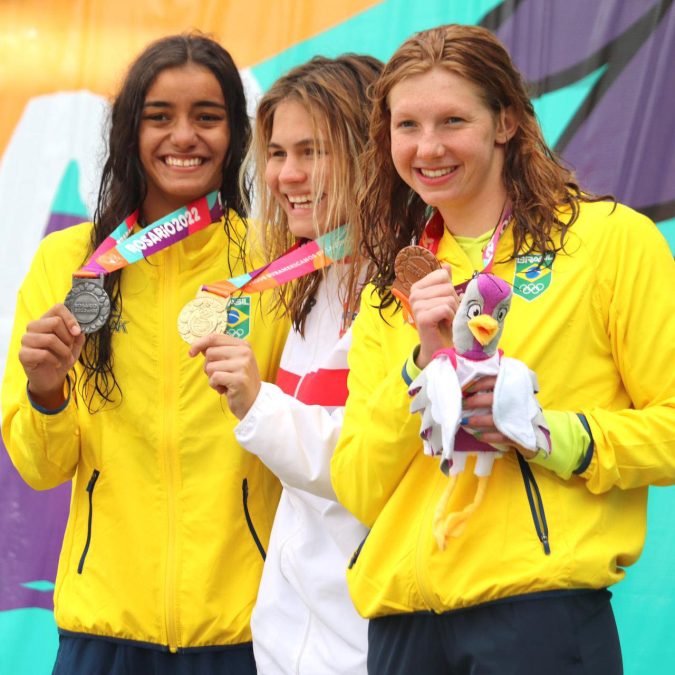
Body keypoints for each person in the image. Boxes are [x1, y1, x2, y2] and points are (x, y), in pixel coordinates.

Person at [330, 24, 675, 675]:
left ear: (506, 121)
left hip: (535, 613)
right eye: (407, 126)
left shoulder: (610, 243)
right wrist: (419, 365)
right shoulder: (392, 288)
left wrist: (550, 434)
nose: (428, 147)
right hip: (404, 623)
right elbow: (358, 485)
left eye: (452, 120)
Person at [1, 34, 288, 673]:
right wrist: (45, 393)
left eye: (207, 117)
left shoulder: (275, 261)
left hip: (246, 627)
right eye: (160, 116)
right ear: (130, 130)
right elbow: (42, 469)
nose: (183, 136)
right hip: (104, 630)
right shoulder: (70, 262)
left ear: (236, 134)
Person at [189, 54, 382, 674]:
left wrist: (257, 403)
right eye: (276, 153)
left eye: (312, 152)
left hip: (369, 644)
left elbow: (370, 468)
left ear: (370, 152)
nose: (286, 175)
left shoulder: (411, 287)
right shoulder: (312, 278)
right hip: (287, 645)